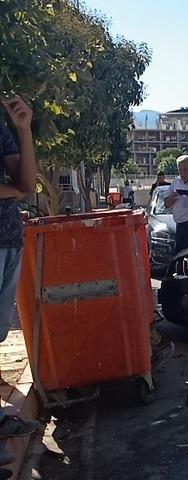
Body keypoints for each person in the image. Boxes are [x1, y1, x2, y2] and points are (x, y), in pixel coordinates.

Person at [0, 96, 42, 474]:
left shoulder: (1, 126)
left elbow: (26, 184)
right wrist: (9, 188)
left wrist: (23, 129)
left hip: (9, 240)